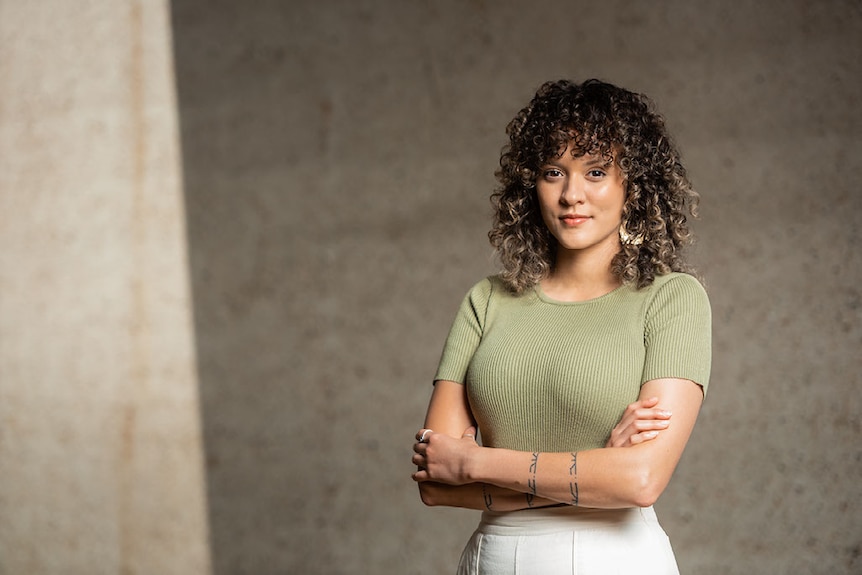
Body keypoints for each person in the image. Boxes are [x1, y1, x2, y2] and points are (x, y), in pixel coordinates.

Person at [411, 79, 711, 574]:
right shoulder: (486, 301)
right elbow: (435, 483)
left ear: (632, 184)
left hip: (613, 559)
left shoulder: (672, 300)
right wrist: (593, 472)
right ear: (532, 184)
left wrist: (475, 463)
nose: (572, 195)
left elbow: (638, 481)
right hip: (493, 560)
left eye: (596, 172)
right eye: (555, 172)